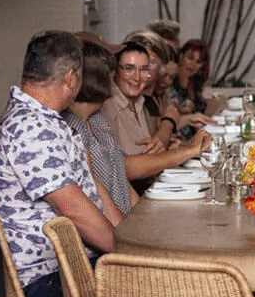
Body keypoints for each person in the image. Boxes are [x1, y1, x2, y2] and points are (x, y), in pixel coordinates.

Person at [0, 31, 123, 297]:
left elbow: (91, 184)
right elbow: (71, 208)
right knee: (160, 285)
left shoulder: (47, 121)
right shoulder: (31, 129)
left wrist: (126, 238)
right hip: (48, 277)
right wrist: (124, 253)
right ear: (71, 78)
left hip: (74, 263)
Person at [102, 41, 211, 192]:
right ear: (115, 71)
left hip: (149, 188)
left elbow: (153, 150)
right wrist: (190, 150)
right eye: (129, 68)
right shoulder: (107, 106)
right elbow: (126, 168)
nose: (137, 77)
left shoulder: (140, 102)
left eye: (144, 69)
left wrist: (168, 147)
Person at [65, 40, 139, 215]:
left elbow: (122, 181)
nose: (115, 83)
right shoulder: (71, 128)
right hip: (107, 232)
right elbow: (98, 201)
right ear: (96, 79)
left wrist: (142, 220)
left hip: (126, 220)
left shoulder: (98, 120)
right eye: (112, 76)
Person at [167, 39, 212, 141]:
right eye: (190, 58)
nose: (193, 64)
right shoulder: (169, 81)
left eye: (198, 62)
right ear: (181, 56)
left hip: (192, 139)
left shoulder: (195, 84)